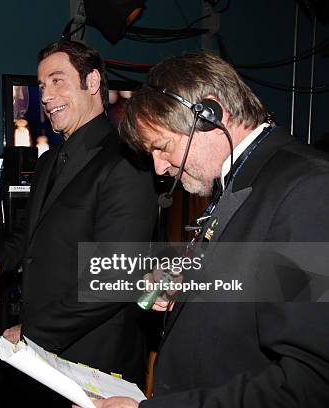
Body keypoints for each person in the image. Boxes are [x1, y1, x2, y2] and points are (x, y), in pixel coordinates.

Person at [94, 52, 329, 407]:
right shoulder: (244, 179)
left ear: (210, 115)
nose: (159, 168)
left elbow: (310, 383)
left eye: (162, 146)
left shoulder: (309, 188)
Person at [0, 40, 157, 389]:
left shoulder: (126, 160)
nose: (45, 96)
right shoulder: (46, 163)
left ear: (92, 82)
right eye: (42, 86)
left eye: (58, 81)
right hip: (46, 358)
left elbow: (114, 276)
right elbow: (32, 234)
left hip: (96, 359)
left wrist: (32, 334)